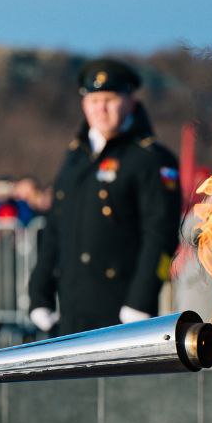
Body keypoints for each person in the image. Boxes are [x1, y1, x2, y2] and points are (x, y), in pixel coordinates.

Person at [28, 58, 181, 334]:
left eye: (109, 99)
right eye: (93, 100)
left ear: (130, 101)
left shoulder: (150, 159)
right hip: (72, 308)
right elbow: (54, 229)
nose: (101, 108)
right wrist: (39, 292)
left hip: (123, 310)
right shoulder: (76, 157)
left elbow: (162, 235)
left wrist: (142, 299)